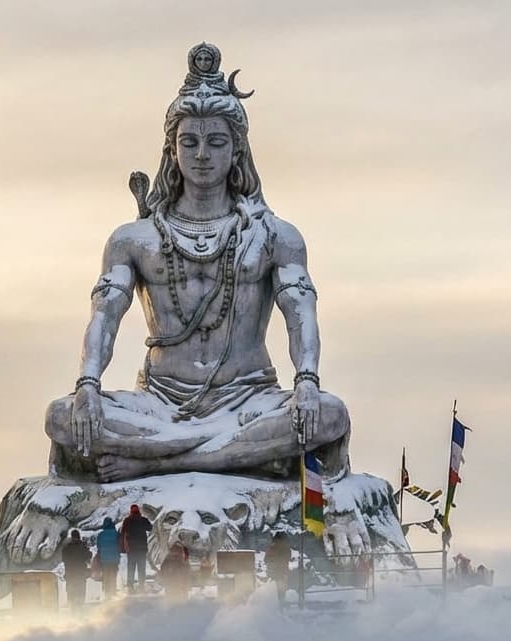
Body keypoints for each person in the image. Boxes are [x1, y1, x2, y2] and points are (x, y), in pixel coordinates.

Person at [44, 43, 351, 484]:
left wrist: (306, 382)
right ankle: (237, 456)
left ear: (237, 150)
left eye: (216, 141)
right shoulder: (135, 239)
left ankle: (159, 461)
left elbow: (300, 313)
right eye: (189, 141)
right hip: (159, 403)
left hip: (248, 399)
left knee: (328, 414)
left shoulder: (273, 235)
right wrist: (88, 386)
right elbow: (105, 316)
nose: (202, 154)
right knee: (60, 417)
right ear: (172, 149)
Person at [120, 504, 153, 593]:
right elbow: (150, 528)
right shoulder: (143, 520)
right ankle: (141, 586)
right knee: (141, 569)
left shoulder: (127, 521)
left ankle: (130, 587)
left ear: (131, 511)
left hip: (131, 550)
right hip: (142, 549)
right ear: (139, 511)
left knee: (131, 569)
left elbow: (122, 533)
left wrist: (123, 548)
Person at [61, 529, 92, 612]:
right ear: (78, 537)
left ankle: (73, 611)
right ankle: (80, 610)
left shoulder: (67, 548)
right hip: (80, 574)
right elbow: (89, 555)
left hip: (70, 574)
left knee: (71, 593)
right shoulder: (81, 547)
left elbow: (64, 558)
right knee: (81, 592)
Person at [96, 517, 121, 599]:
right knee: (113, 575)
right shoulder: (116, 534)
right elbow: (120, 544)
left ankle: (107, 594)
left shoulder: (100, 535)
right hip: (115, 559)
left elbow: (99, 547)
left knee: (106, 575)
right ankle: (113, 592)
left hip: (104, 559)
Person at [265, 531, 291, 605]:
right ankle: (280, 605)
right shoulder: (284, 547)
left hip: (272, 572)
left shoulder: (272, 547)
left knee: (274, 590)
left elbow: (266, 559)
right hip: (281, 572)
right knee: (281, 591)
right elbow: (287, 557)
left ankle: (274, 605)